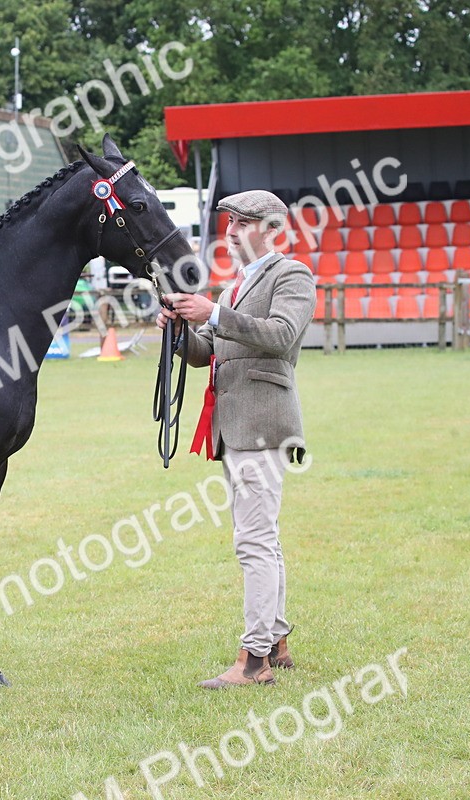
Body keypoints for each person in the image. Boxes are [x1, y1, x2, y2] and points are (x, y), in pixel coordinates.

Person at [157, 189, 316, 690]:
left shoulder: (292, 275)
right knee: (262, 538)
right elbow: (210, 352)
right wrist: (182, 331)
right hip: (237, 423)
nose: (231, 231)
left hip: (261, 421)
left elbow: (280, 335)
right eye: (229, 222)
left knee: (253, 541)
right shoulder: (233, 288)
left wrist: (215, 315)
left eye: (243, 223)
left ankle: (254, 660)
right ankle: (278, 642)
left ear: (272, 230)